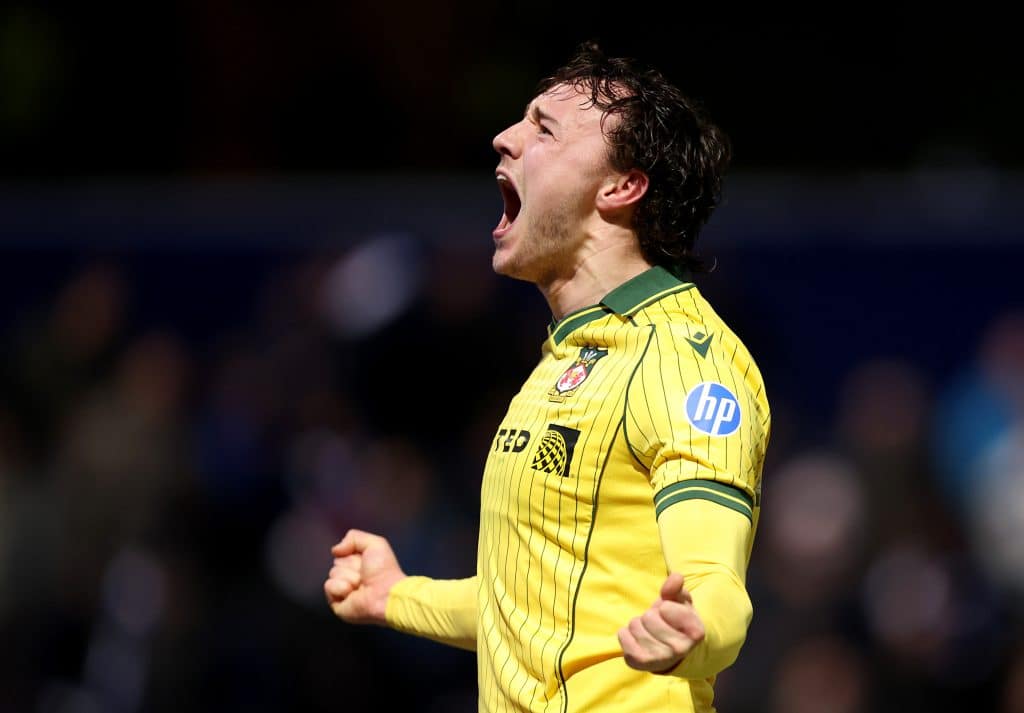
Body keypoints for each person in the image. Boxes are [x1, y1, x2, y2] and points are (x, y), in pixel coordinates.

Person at [324, 40, 770, 712]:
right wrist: (396, 595)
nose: (504, 138)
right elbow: (541, 605)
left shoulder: (683, 360)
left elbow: (716, 587)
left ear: (621, 186)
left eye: (543, 128)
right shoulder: (563, 360)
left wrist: (695, 631)